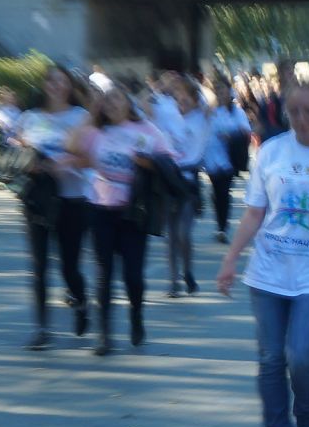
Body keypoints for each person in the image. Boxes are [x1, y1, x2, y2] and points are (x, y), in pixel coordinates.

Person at [216, 81, 309, 427]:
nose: (303, 120)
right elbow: (255, 212)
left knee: (301, 355)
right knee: (272, 360)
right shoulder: (271, 152)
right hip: (269, 272)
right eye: (295, 112)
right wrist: (231, 259)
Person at [70, 85, 170, 356]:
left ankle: (136, 315)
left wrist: (148, 163)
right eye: (107, 100)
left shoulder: (146, 130)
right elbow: (72, 147)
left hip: (133, 211)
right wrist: (90, 115)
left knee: (132, 276)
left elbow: (168, 159)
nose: (111, 104)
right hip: (100, 206)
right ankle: (104, 335)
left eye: (117, 98)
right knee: (103, 274)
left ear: (128, 104)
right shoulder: (96, 131)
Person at [12, 67, 92, 349]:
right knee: (39, 266)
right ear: (44, 85)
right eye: (50, 80)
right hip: (38, 198)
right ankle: (41, 328)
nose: (55, 85)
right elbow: (16, 149)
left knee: (69, 267)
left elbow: (91, 160)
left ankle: (81, 302)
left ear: (69, 87)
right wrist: (26, 160)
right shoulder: (29, 117)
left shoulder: (80, 117)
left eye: (61, 81)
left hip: (71, 198)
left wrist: (66, 163)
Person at [160, 78, 209, 297]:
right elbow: (143, 105)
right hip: (169, 178)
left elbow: (212, 101)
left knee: (183, 233)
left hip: (189, 181)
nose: (182, 103)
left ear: (195, 99)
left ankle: (187, 271)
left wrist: (194, 83)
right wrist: (161, 85)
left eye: (186, 98)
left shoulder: (202, 118)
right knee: (170, 235)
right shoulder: (168, 118)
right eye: (178, 98)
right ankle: (173, 280)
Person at [205, 76, 250, 246]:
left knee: (224, 192)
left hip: (229, 158)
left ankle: (223, 227)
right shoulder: (211, 111)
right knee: (216, 193)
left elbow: (246, 131)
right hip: (211, 158)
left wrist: (230, 136)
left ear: (228, 91)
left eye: (222, 89)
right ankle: (220, 224)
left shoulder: (236, 111)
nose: (220, 92)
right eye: (217, 89)